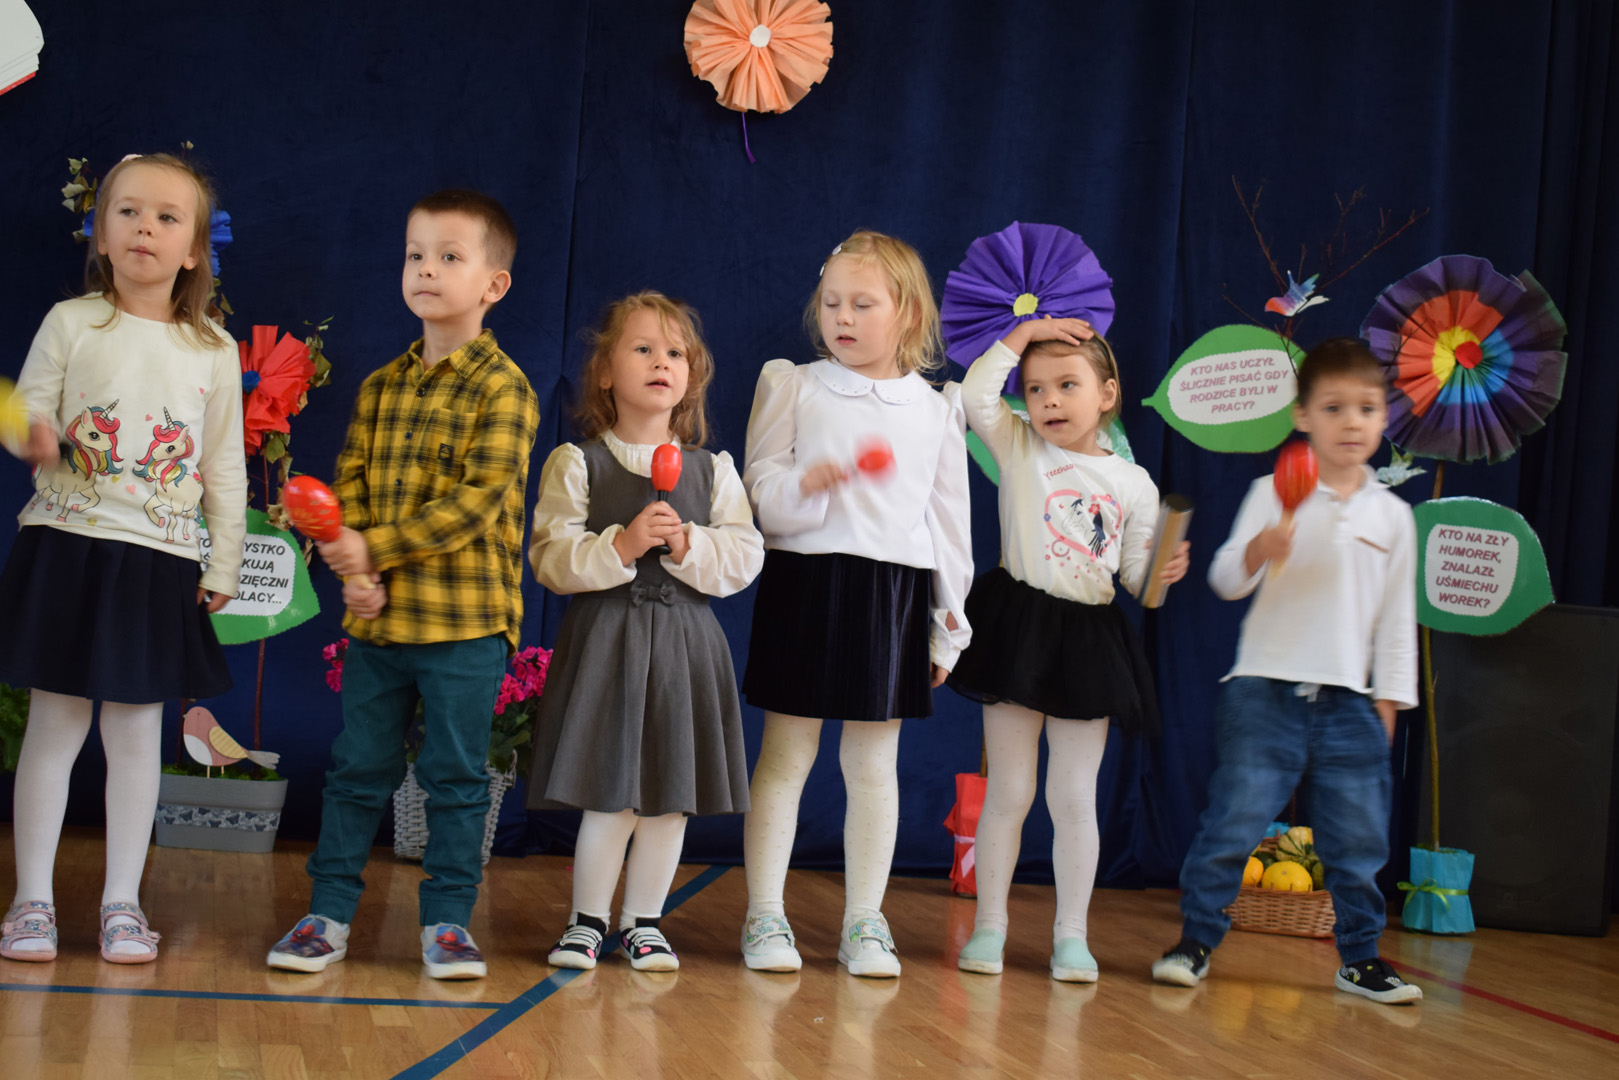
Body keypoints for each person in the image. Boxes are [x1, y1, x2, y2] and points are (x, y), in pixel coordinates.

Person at [266, 190, 539, 981]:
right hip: (380, 626)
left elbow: (473, 506)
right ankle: (327, 914)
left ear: (493, 285)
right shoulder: (381, 385)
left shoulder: (505, 389)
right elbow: (348, 490)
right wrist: (355, 571)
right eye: (416, 255)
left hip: (465, 626)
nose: (426, 269)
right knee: (357, 770)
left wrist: (373, 550)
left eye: (449, 257)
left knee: (455, 777)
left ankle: (448, 923)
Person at [0, 153, 246, 964]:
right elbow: (28, 408)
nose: (146, 228)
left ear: (194, 250)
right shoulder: (71, 322)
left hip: (156, 562)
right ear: (100, 235)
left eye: (168, 217)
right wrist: (30, 432)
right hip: (67, 546)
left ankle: (122, 904)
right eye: (128, 212)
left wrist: (222, 563)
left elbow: (223, 467)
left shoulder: (214, 350)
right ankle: (31, 901)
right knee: (56, 724)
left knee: (138, 733)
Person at [1152, 337, 1422, 1005]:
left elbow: (1396, 622)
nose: (1351, 422)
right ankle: (1195, 942)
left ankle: (1360, 958)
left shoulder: (1393, 517)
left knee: (1358, 841)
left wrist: (1388, 703)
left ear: (1384, 418)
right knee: (1232, 825)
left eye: (1366, 408)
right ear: (1303, 416)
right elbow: (1223, 580)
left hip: (1349, 703)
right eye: (1333, 408)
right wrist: (1258, 549)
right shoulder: (1269, 493)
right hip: (1262, 693)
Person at [739, 230, 972, 978]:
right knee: (785, 756)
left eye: (862, 304)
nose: (842, 316)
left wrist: (948, 628)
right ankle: (764, 914)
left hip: (890, 596)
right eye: (832, 301)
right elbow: (759, 494)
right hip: (805, 584)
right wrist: (807, 485)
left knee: (873, 765)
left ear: (908, 314)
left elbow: (949, 527)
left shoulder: (936, 409)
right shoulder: (794, 385)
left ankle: (864, 921)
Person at [949, 317, 1189, 982]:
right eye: (1035, 388)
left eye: (1066, 385)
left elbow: (1138, 582)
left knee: (1074, 797)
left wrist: (1162, 573)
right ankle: (990, 926)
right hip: (1017, 631)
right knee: (1010, 789)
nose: (1049, 400)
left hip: (1087, 642)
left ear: (1106, 394)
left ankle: (1071, 937)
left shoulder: (1134, 484)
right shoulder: (1018, 445)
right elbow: (975, 397)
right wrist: (1024, 332)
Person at [529, 292, 763, 971]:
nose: (662, 362)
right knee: (610, 791)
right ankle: (586, 921)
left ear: (691, 375)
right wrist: (622, 545)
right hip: (608, 642)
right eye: (643, 348)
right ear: (605, 371)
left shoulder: (712, 470)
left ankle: (644, 922)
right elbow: (550, 557)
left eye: (675, 353)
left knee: (669, 799)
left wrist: (689, 544)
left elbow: (744, 555)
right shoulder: (577, 462)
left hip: (686, 647)